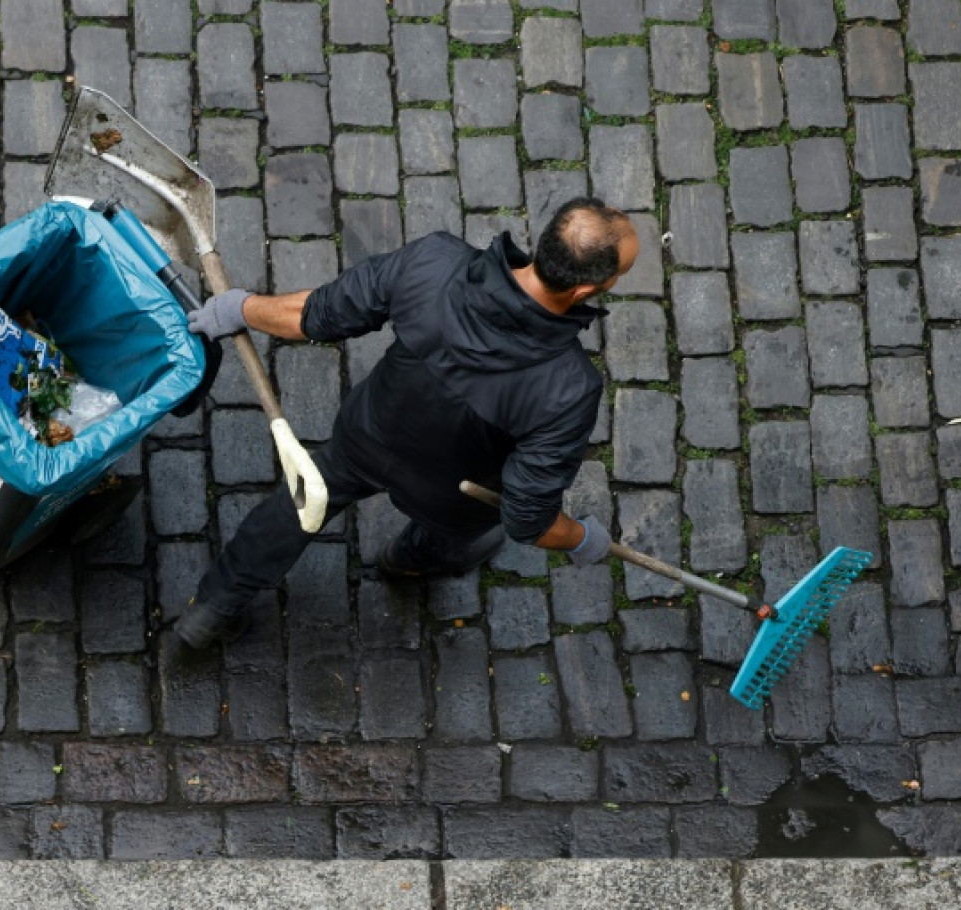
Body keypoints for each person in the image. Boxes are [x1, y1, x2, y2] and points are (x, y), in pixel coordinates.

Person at [178, 197, 640, 648]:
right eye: (622, 272)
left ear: (544, 244)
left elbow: (317, 314)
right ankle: (409, 561)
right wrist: (580, 538)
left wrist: (240, 310)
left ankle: (215, 605)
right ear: (584, 290)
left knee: (299, 504)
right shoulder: (570, 389)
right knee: (466, 533)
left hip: (367, 434)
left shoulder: (435, 262)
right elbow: (527, 517)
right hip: (450, 495)